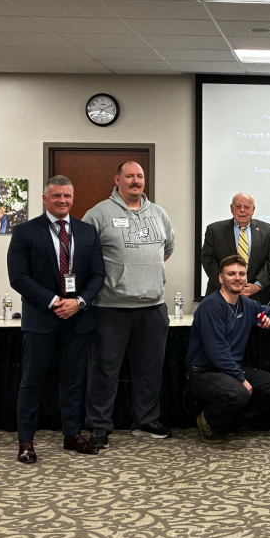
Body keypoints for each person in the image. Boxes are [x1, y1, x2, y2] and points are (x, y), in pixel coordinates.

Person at [6, 175, 105, 463]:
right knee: (32, 382)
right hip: (40, 320)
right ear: (45, 198)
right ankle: (26, 441)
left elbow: (98, 274)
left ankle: (72, 435)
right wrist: (53, 302)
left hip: (78, 319)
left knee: (74, 381)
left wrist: (79, 302)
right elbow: (18, 277)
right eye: (57, 196)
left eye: (67, 196)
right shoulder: (25, 231)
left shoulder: (87, 232)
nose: (63, 200)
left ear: (73, 199)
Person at [82, 161, 176, 448]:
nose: (136, 181)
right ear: (117, 180)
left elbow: (168, 248)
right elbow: (84, 256)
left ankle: (146, 420)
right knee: (104, 369)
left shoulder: (158, 214)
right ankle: (99, 424)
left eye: (140, 176)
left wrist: (143, 272)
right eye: (130, 176)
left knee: (150, 369)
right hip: (110, 308)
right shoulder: (98, 214)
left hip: (152, 306)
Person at [186, 255, 270, 444]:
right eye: (231, 273)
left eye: (241, 274)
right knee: (237, 392)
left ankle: (231, 421)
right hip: (204, 371)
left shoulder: (247, 305)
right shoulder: (211, 305)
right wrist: (241, 379)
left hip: (232, 368)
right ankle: (208, 421)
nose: (237, 277)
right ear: (220, 278)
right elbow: (217, 351)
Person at [200, 192, 270, 305]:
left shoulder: (267, 230)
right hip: (222, 296)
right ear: (232, 209)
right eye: (238, 206)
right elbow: (208, 260)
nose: (242, 210)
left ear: (253, 209)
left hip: (259, 297)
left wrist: (257, 285)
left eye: (247, 207)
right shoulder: (214, 230)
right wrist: (228, 285)